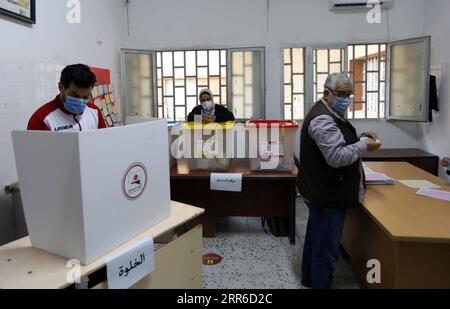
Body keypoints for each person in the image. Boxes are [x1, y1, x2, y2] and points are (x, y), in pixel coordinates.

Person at [298, 73, 381, 289]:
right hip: (327, 193)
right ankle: (320, 284)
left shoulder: (331, 111)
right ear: (327, 93)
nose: (346, 98)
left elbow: (338, 141)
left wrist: (360, 137)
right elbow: (336, 157)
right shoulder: (323, 118)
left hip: (321, 189)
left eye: (349, 94)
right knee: (326, 247)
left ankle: (309, 279)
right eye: (341, 94)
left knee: (317, 238)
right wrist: (363, 145)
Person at [28, 64, 106, 131]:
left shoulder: (94, 112)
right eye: (75, 95)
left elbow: (103, 142)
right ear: (61, 87)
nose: (81, 102)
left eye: (85, 97)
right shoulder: (42, 119)